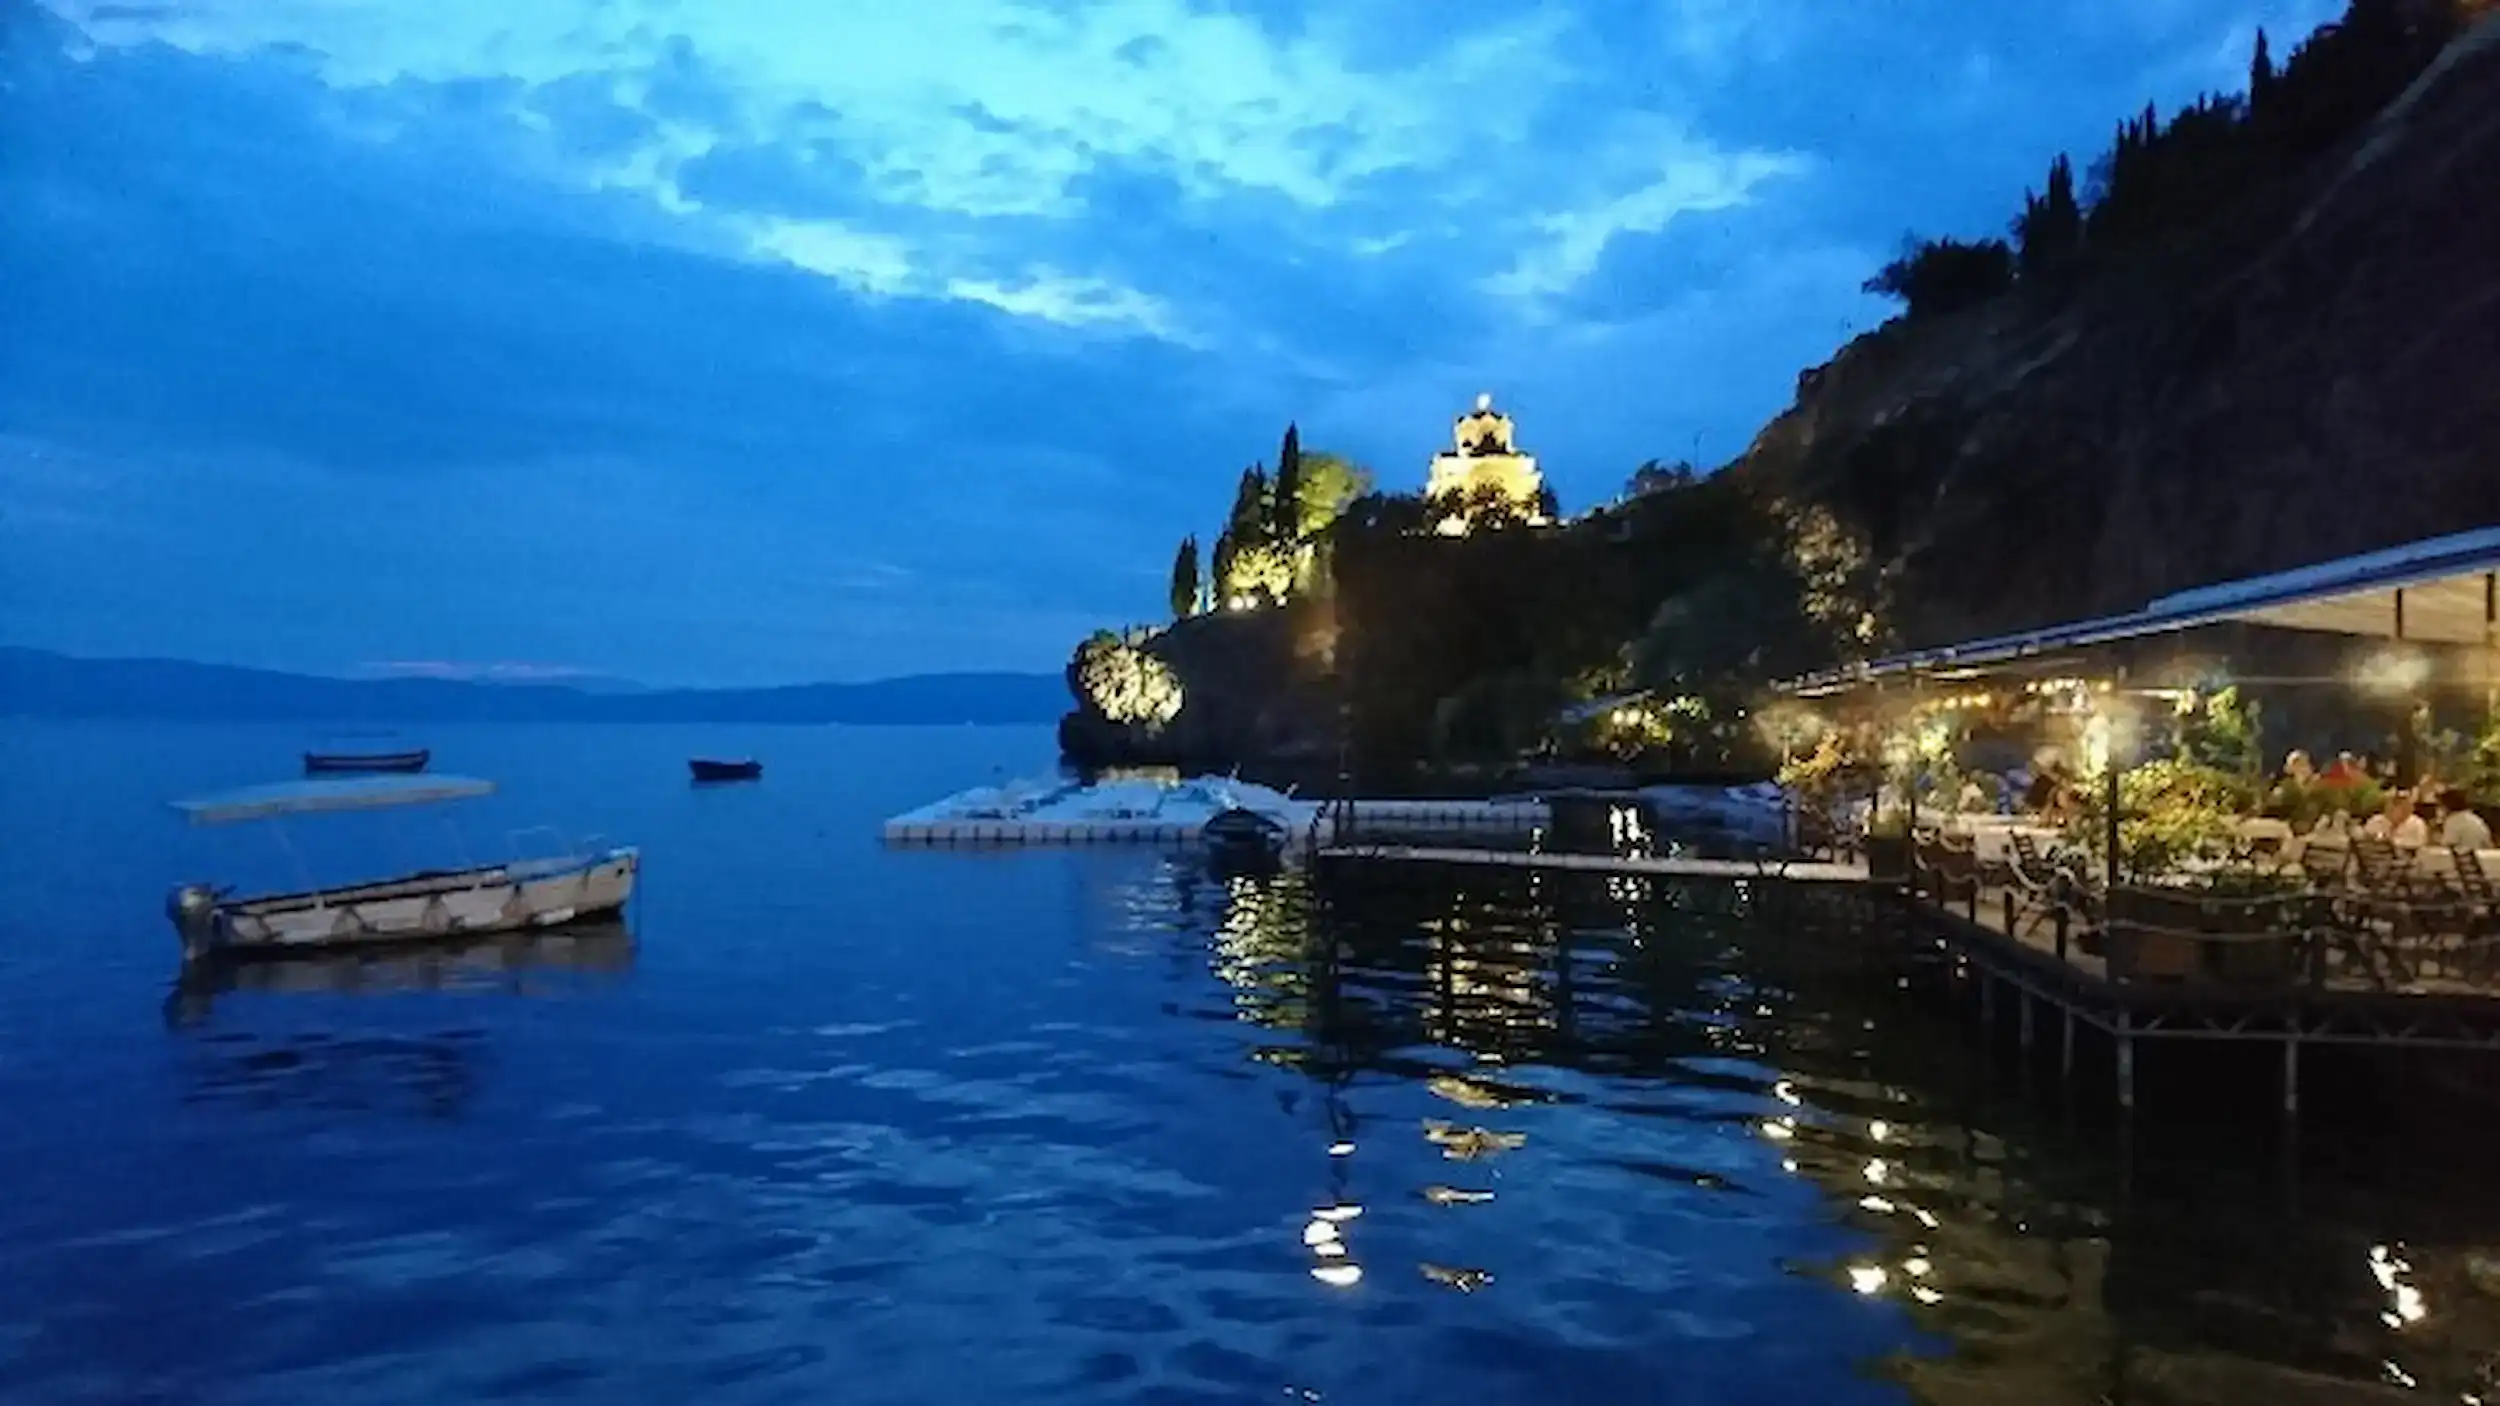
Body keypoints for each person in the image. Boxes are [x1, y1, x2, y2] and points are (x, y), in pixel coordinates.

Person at [2364, 791, 2429, 847]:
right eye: (2393, 804)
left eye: (2400, 805)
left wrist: (2394, 842)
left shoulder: (2417, 824)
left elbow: (2419, 844)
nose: (2394, 809)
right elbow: (2364, 838)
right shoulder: (2376, 821)